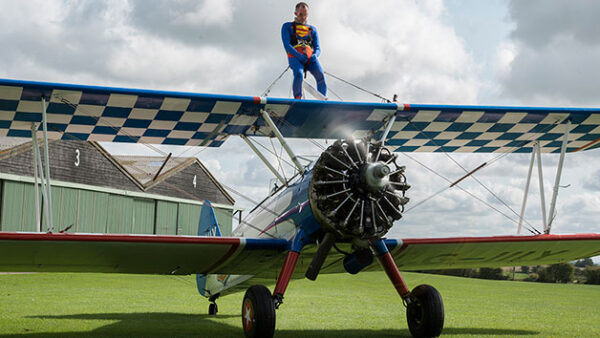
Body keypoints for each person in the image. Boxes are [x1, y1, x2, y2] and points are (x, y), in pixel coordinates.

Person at [281, 2, 327, 99]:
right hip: (295, 56)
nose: (303, 17)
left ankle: (322, 100)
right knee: (298, 74)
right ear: (295, 13)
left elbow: (317, 47)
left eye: (305, 15)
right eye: (300, 14)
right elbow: (287, 45)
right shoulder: (287, 26)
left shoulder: (312, 29)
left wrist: (315, 55)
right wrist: (298, 55)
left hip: (311, 58)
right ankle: (298, 99)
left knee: (320, 75)